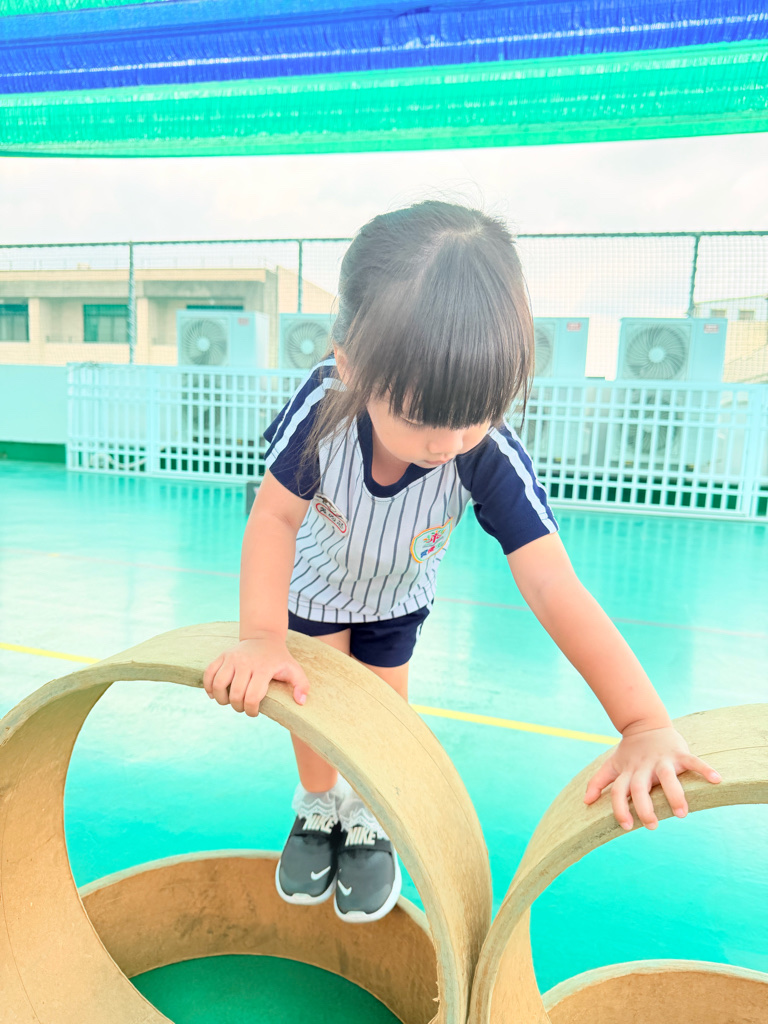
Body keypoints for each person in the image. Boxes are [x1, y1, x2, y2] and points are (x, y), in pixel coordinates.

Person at [203, 200, 721, 924]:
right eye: (421, 418)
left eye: (475, 413)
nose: (447, 442)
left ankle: (369, 814)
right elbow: (274, 515)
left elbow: (551, 581)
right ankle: (317, 805)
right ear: (352, 365)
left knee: (382, 715)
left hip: (395, 597)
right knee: (311, 711)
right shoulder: (324, 404)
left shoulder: (486, 449)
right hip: (314, 588)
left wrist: (643, 723)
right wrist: (261, 636)